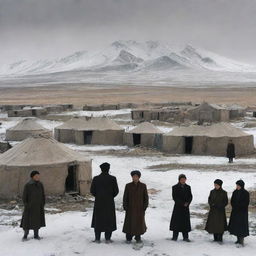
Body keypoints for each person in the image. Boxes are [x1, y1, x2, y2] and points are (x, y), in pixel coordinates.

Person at [90, 162, 119, 244]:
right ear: (108, 169)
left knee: (98, 220)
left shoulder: (96, 178)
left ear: (101, 169)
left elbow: (92, 191)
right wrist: (110, 197)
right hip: (109, 203)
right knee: (109, 220)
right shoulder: (113, 179)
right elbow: (116, 191)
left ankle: (97, 239)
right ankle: (107, 239)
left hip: (99, 202)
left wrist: (99, 196)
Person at [123, 170, 149, 244]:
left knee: (139, 223)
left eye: (136, 176)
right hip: (130, 208)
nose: (135, 178)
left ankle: (138, 237)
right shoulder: (128, 186)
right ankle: (128, 237)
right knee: (129, 223)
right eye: (133, 176)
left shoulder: (143, 186)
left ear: (139, 177)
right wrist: (125, 206)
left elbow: (146, 197)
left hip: (139, 208)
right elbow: (125, 197)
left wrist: (144, 206)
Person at [20, 170, 45, 241]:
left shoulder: (40, 184)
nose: (38, 177)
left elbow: (43, 195)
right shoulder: (28, 185)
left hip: (38, 206)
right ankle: (25, 235)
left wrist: (42, 203)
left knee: (37, 221)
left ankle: (36, 235)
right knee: (27, 222)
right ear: (32, 177)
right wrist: (26, 205)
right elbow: (24, 197)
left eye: (38, 176)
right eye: (36, 176)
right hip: (30, 207)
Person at [170, 174, 193, 242]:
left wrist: (188, 203)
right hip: (178, 207)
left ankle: (185, 237)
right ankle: (175, 237)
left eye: (184, 179)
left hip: (186, 208)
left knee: (185, 223)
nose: (183, 180)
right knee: (176, 223)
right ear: (179, 180)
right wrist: (182, 203)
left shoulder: (188, 187)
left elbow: (190, 196)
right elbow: (175, 197)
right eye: (182, 179)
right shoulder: (175, 187)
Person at [228, 180, 250, 246]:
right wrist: (234, 206)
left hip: (242, 213)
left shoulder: (246, 193)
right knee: (236, 226)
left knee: (241, 227)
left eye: (238, 185)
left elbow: (246, 203)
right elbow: (232, 201)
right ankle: (238, 239)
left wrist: (239, 207)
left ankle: (241, 240)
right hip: (235, 212)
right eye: (236, 185)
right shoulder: (235, 192)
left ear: (241, 186)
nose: (237, 186)